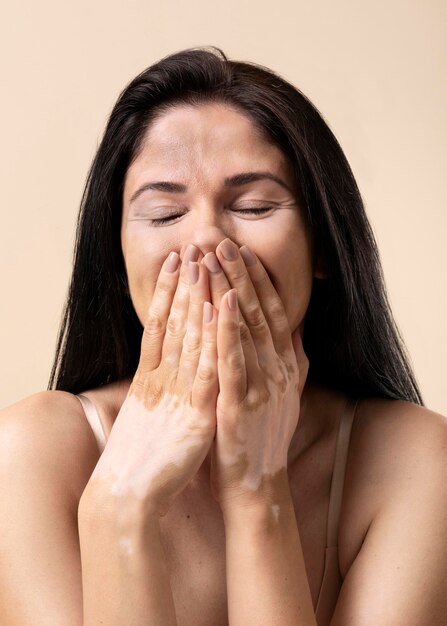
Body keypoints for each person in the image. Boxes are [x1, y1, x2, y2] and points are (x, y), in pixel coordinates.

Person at [0, 46, 446, 626]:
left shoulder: (416, 461)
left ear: (323, 248)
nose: (207, 239)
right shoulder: (28, 454)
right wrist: (120, 505)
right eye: (163, 214)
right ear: (117, 255)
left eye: (254, 206)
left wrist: (259, 494)